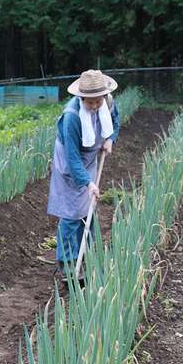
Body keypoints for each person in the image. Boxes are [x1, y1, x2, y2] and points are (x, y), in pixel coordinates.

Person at [47, 69, 120, 276]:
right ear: (81, 98)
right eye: (90, 102)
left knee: (87, 208)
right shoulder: (72, 117)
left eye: (99, 101)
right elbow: (72, 157)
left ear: (105, 96)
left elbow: (115, 122)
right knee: (71, 213)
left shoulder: (109, 103)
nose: (96, 106)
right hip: (70, 164)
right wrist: (88, 183)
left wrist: (110, 139)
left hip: (90, 158)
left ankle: (85, 252)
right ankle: (67, 262)